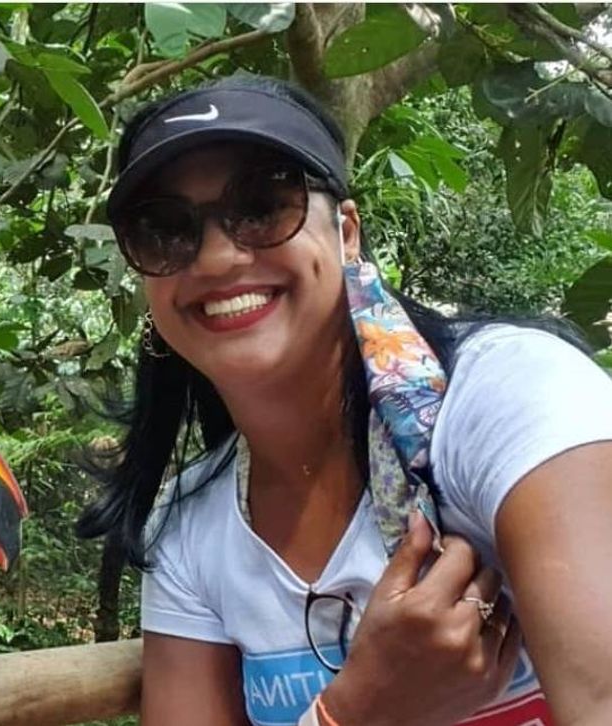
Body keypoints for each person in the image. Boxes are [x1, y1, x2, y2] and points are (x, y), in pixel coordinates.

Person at [77, 74, 612, 726]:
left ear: (347, 233)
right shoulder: (191, 530)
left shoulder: (511, 396)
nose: (217, 259)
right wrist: (358, 710)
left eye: (265, 205)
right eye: (164, 230)